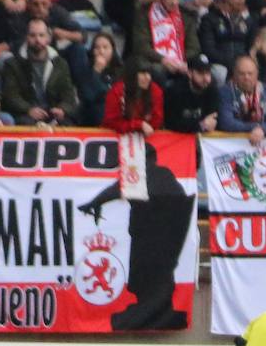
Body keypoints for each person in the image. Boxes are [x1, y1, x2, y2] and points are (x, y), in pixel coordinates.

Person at [76, 141, 195, 330]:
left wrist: (94, 202)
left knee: (150, 274)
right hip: (150, 236)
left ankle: (153, 309)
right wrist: (95, 203)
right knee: (146, 275)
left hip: (156, 238)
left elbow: (118, 188)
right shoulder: (159, 177)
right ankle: (147, 306)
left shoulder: (158, 175)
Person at [1, 19, 78, 125]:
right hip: (26, 115)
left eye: (41, 35)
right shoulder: (13, 63)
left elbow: (68, 94)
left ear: (48, 38)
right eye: (33, 35)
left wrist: (62, 109)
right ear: (26, 37)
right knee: (25, 123)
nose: (37, 40)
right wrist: (28, 109)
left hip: (52, 114)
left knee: (68, 124)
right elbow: (11, 95)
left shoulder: (60, 63)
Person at [133, 0, 200, 81]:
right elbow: (141, 46)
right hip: (155, 62)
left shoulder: (186, 16)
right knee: (157, 72)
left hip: (182, 63)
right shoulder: (144, 14)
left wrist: (179, 62)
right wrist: (163, 60)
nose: (174, 2)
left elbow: (194, 47)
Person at [199, 0, 257, 80]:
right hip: (219, 64)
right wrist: (233, 63)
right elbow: (209, 50)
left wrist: (244, 63)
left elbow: (251, 47)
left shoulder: (249, 20)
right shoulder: (210, 18)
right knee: (221, 73)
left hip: (243, 65)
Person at [218, 52, 266, 144]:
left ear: (257, 74)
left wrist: (263, 129)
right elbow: (227, 122)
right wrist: (257, 127)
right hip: (232, 144)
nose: (246, 77)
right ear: (234, 74)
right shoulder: (225, 91)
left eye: (250, 73)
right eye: (242, 74)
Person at [163, 52, 220, 132]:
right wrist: (201, 125)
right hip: (178, 139)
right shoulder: (176, 91)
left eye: (208, 73)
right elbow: (171, 123)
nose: (206, 79)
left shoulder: (212, 90)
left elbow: (212, 120)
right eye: (201, 73)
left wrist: (203, 124)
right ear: (189, 73)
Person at [103, 60, 164, 133]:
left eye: (149, 73)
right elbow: (110, 123)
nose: (148, 77)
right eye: (143, 73)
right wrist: (138, 125)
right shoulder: (117, 91)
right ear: (132, 75)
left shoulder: (155, 90)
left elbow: (157, 120)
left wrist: (143, 126)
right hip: (115, 136)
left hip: (146, 137)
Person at [79, 31, 122, 125]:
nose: (101, 51)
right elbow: (88, 96)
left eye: (105, 47)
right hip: (93, 118)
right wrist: (96, 71)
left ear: (112, 50)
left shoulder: (121, 72)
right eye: (97, 48)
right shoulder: (86, 70)